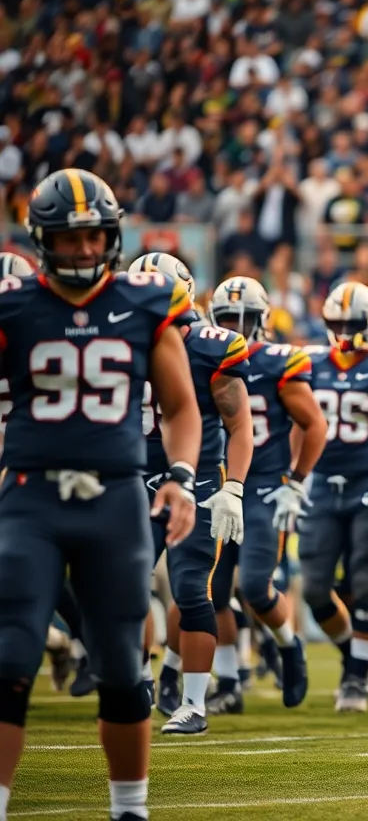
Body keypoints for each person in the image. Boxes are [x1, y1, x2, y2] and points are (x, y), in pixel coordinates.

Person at [0, 168, 201, 820]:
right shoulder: (16, 306)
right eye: (70, 238)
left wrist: (180, 478)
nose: (85, 251)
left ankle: (130, 810)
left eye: (95, 237)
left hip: (117, 499)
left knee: (121, 665)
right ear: (42, 241)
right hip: (30, 498)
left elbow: (180, 407)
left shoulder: (146, 302)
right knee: (10, 657)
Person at [129, 252, 252, 736]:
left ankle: (194, 703)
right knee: (125, 585)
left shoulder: (210, 347)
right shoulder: (115, 338)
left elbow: (239, 423)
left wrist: (234, 488)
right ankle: (138, 680)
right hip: (133, 476)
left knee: (191, 587)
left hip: (197, 478)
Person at [206, 276, 326, 711]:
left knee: (256, 586)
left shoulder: (278, 361)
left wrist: (295, 480)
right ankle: (228, 681)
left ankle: (288, 645)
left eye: (245, 318)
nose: (236, 327)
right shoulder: (202, 354)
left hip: (262, 486)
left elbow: (314, 424)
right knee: (213, 589)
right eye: (227, 319)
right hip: (215, 480)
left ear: (263, 321)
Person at [298, 281, 368, 713]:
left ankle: (354, 679)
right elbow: (299, 426)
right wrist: (296, 478)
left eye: (352, 323)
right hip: (324, 485)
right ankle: (363, 654)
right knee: (314, 590)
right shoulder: (309, 363)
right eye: (337, 323)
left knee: (365, 584)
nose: (344, 331)